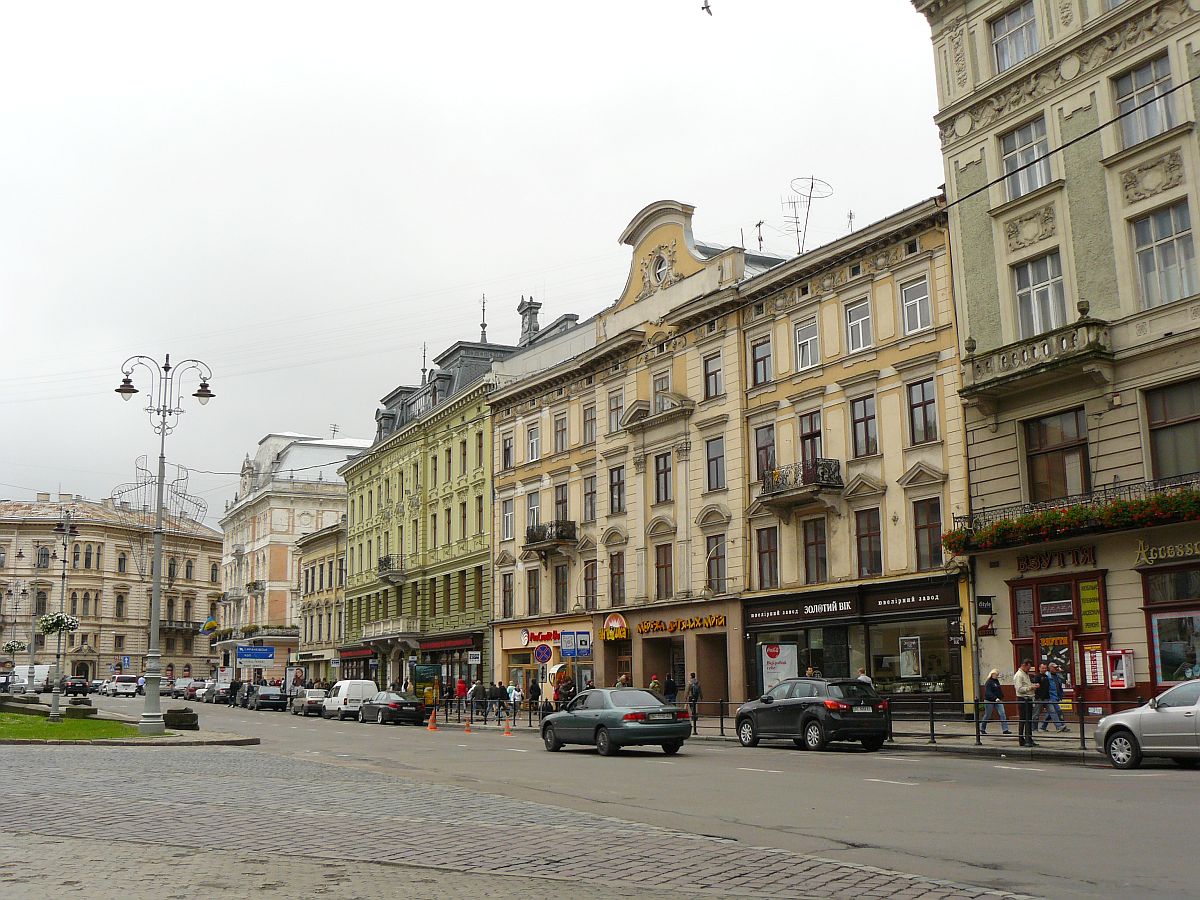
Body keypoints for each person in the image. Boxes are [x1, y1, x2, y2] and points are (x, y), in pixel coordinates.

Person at [1013, 659, 1037, 747]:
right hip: (1023, 699)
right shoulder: (1019, 675)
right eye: (1028, 667)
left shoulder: (1025, 674)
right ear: (1024, 665)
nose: (1029, 669)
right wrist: (1030, 688)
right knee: (1023, 720)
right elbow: (1019, 689)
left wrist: (1031, 687)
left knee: (1028, 720)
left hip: (1028, 699)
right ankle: (1022, 739)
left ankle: (1028, 738)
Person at [979, 669, 1010, 735]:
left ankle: (1005, 729)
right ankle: (982, 728)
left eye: (997, 674)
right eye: (996, 674)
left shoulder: (996, 681)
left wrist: (1001, 696)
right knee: (988, 715)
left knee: (1002, 713)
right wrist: (995, 698)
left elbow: (998, 690)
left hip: (998, 700)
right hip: (989, 700)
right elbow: (988, 693)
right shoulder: (989, 682)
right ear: (992, 674)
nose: (997, 676)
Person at [1040, 663, 1068, 733]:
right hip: (1051, 696)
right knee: (1058, 710)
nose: (1056, 669)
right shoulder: (1047, 675)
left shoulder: (1057, 675)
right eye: (1054, 668)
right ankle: (1060, 726)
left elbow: (1063, 681)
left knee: (1051, 712)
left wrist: (1060, 671)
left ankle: (1043, 726)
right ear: (1050, 668)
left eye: (1056, 667)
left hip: (1056, 696)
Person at [1032, 663, 1050, 730]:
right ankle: (1034, 728)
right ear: (1039, 668)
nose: (1044, 669)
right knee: (1036, 714)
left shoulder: (1046, 676)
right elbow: (1036, 686)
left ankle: (1044, 726)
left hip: (1047, 697)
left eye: (1045, 668)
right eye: (1043, 668)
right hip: (1039, 698)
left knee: (1052, 711)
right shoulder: (1037, 676)